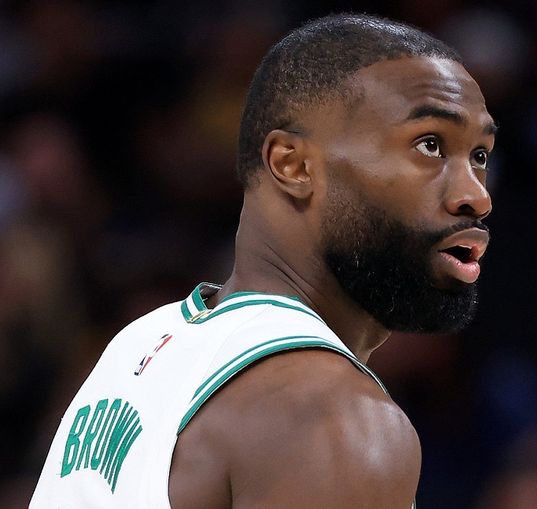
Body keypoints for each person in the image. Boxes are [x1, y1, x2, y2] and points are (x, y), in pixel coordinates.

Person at [30, 13, 496, 508]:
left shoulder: (141, 346)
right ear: (292, 165)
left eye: (480, 155)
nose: (476, 196)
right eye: (429, 145)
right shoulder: (336, 418)